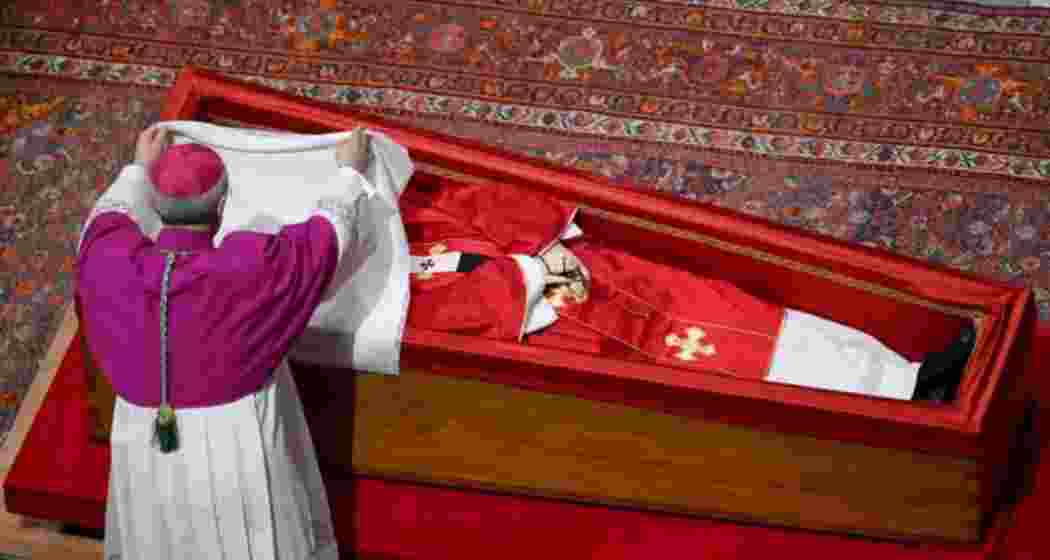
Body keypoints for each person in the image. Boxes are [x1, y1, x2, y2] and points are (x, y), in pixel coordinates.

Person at [399, 171, 977, 403]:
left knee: (744, 315)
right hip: (567, 336)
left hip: (600, 276)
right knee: (731, 369)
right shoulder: (373, 304)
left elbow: (470, 199)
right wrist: (523, 273)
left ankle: (901, 375)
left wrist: (537, 244)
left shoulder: (405, 215)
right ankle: (899, 404)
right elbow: (452, 320)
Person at [75, 125, 374, 560]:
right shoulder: (249, 269)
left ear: (153, 205)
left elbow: (104, 219)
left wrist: (138, 168)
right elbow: (326, 238)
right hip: (235, 440)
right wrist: (349, 172)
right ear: (221, 204)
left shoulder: (108, 261)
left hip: (145, 438)